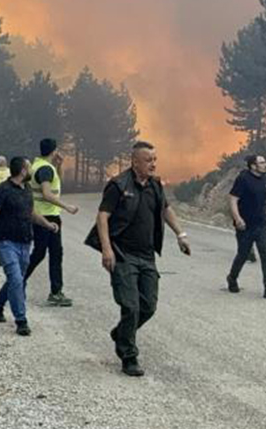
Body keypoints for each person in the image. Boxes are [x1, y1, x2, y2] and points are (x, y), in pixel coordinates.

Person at [87, 141, 191, 377]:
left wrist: (181, 235)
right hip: (123, 254)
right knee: (131, 306)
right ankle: (129, 356)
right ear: (135, 162)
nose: (153, 164)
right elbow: (102, 217)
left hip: (147, 255)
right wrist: (106, 249)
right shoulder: (118, 185)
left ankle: (121, 333)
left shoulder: (155, 185)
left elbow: (165, 209)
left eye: (155, 160)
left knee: (148, 306)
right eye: (148, 160)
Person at [0, 156, 60, 337]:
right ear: (22, 171)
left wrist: (47, 224)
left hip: (25, 242)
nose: (31, 171)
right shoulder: (2, 190)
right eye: (29, 167)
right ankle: (21, 320)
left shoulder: (27, 188)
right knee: (16, 279)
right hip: (5, 242)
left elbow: (31, 213)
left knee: (18, 280)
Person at [24, 138, 79, 307]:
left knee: (47, 252)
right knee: (48, 253)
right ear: (54, 151)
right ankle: (52, 291)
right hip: (47, 217)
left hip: (41, 215)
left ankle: (21, 282)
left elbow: (54, 183)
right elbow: (47, 194)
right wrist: (67, 206)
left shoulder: (38, 166)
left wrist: (58, 165)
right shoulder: (45, 169)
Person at [225, 154, 266, 300]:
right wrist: (237, 219)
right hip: (245, 225)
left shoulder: (265, 179)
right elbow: (233, 199)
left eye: (265, 162)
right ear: (253, 166)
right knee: (243, 254)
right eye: (261, 163)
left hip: (262, 223)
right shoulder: (243, 179)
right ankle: (232, 278)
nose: (265, 165)